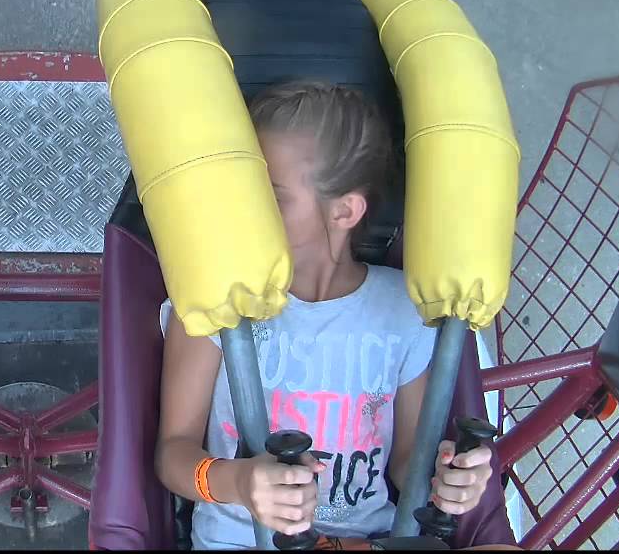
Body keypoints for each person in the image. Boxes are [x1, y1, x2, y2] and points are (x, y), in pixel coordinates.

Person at [155, 80, 499, 549]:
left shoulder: (407, 311)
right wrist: (236, 482)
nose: (243, 211)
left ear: (345, 211)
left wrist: (447, 478)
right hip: (240, 540)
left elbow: (405, 463)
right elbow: (173, 454)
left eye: (272, 198)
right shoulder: (214, 298)